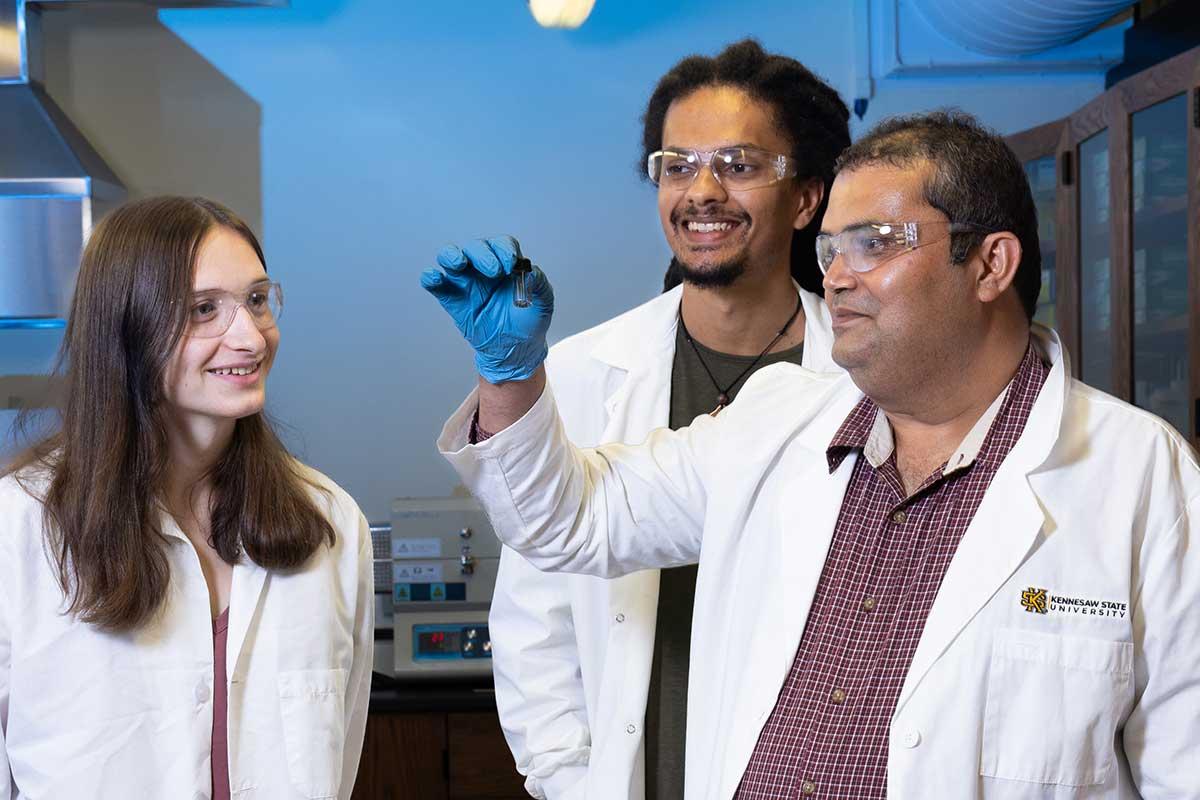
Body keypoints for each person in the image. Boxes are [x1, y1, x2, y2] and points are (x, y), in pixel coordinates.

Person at [427, 111, 1200, 799]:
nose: (836, 277)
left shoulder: (1138, 476)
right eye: (830, 248)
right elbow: (570, 523)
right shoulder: (776, 422)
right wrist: (512, 377)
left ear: (991, 264)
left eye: (876, 243)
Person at [481, 39, 849, 800]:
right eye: (677, 165)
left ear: (807, 197)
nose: (701, 191)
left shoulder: (857, 378)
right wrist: (573, 781)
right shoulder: (587, 373)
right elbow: (533, 620)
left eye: (739, 165)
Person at [0, 197, 374, 799]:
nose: (249, 337)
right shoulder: (19, 528)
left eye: (257, 300)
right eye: (205, 310)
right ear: (129, 329)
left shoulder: (330, 522)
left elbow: (343, 750)